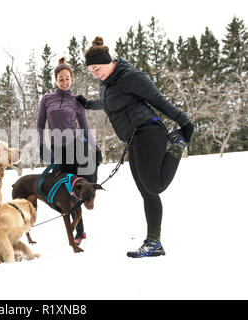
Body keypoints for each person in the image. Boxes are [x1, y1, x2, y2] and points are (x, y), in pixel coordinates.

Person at [77, 37, 194, 258]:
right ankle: (154, 243)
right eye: (91, 71)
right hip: (134, 138)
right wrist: (87, 104)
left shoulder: (131, 76)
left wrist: (184, 122)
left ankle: (177, 145)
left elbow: (158, 100)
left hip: (149, 131)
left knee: (155, 186)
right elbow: (109, 103)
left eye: (96, 68)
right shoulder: (107, 83)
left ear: (107, 61)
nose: (95, 73)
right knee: (147, 192)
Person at [36, 57, 102, 245]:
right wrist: (42, 146)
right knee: (66, 192)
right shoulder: (47, 99)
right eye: (61, 79)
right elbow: (40, 125)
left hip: (77, 148)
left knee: (80, 188)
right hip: (58, 151)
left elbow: (85, 127)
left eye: (67, 78)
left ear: (72, 78)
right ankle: (79, 230)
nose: (64, 82)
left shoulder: (77, 100)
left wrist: (96, 149)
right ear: (56, 80)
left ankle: (79, 231)